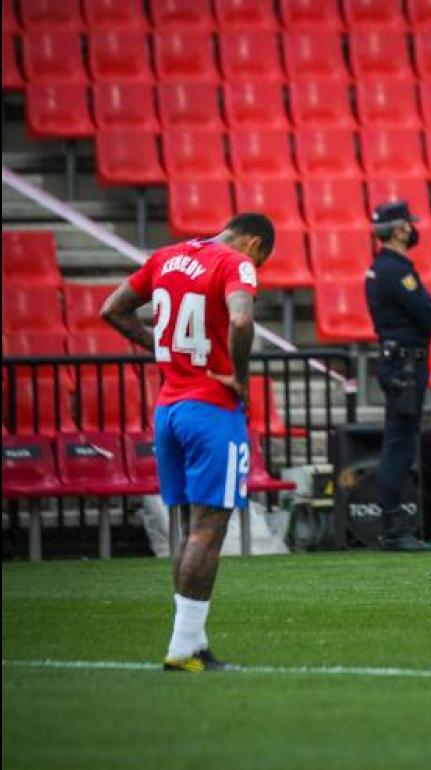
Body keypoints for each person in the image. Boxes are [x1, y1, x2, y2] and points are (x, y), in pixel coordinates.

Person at [100, 212, 275, 672]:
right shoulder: (236, 263)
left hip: (169, 409)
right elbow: (240, 320)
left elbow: (112, 309)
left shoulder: (166, 257)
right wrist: (239, 378)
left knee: (188, 527)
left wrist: (162, 347)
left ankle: (190, 643)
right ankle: (182, 647)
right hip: (212, 410)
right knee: (207, 529)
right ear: (254, 244)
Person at [365, 201, 431, 552]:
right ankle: (393, 527)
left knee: (400, 440)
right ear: (399, 230)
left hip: (400, 363)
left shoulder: (384, 268)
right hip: (405, 366)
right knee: (399, 443)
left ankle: (394, 524)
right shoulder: (395, 270)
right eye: (408, 224)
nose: (413, 229)